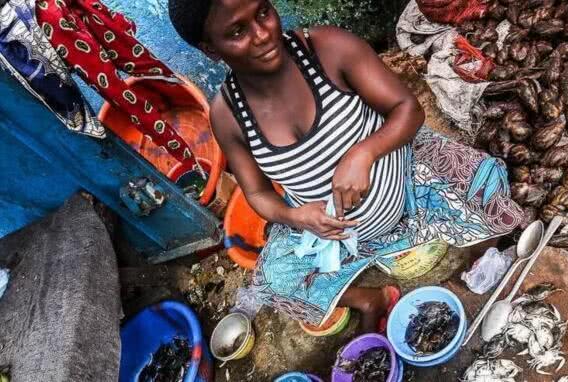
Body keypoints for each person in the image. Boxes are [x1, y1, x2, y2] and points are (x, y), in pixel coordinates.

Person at [168, 0, 523, 333]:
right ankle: (372, 298)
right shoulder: (228, 116)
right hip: (336, 234)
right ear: (210, 49)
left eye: (263, 12)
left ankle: (474, 251)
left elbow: (407, 109)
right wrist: (296, 217)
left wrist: (363, 154)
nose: (263, 34)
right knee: (274, 281)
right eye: (237, 32)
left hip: (406, 190)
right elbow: (258, 193)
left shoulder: (327, 49)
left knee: (478, 178)